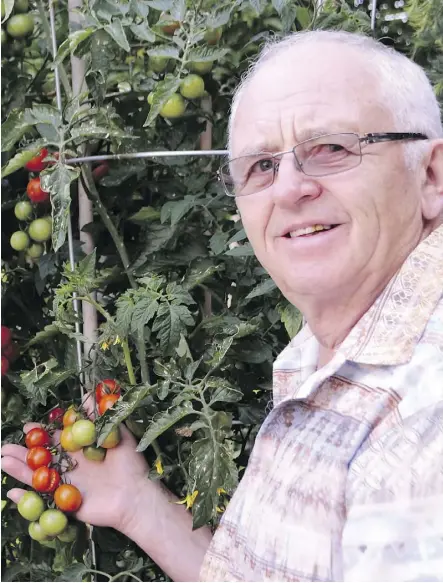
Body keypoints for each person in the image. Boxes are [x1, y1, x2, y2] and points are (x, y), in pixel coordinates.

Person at [2, 30, 443, 582]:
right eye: (260, 166)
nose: (287, 189)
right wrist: (138, 504)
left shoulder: (422, 419)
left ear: (430, 176)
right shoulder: (334, 354)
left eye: (331, 148)